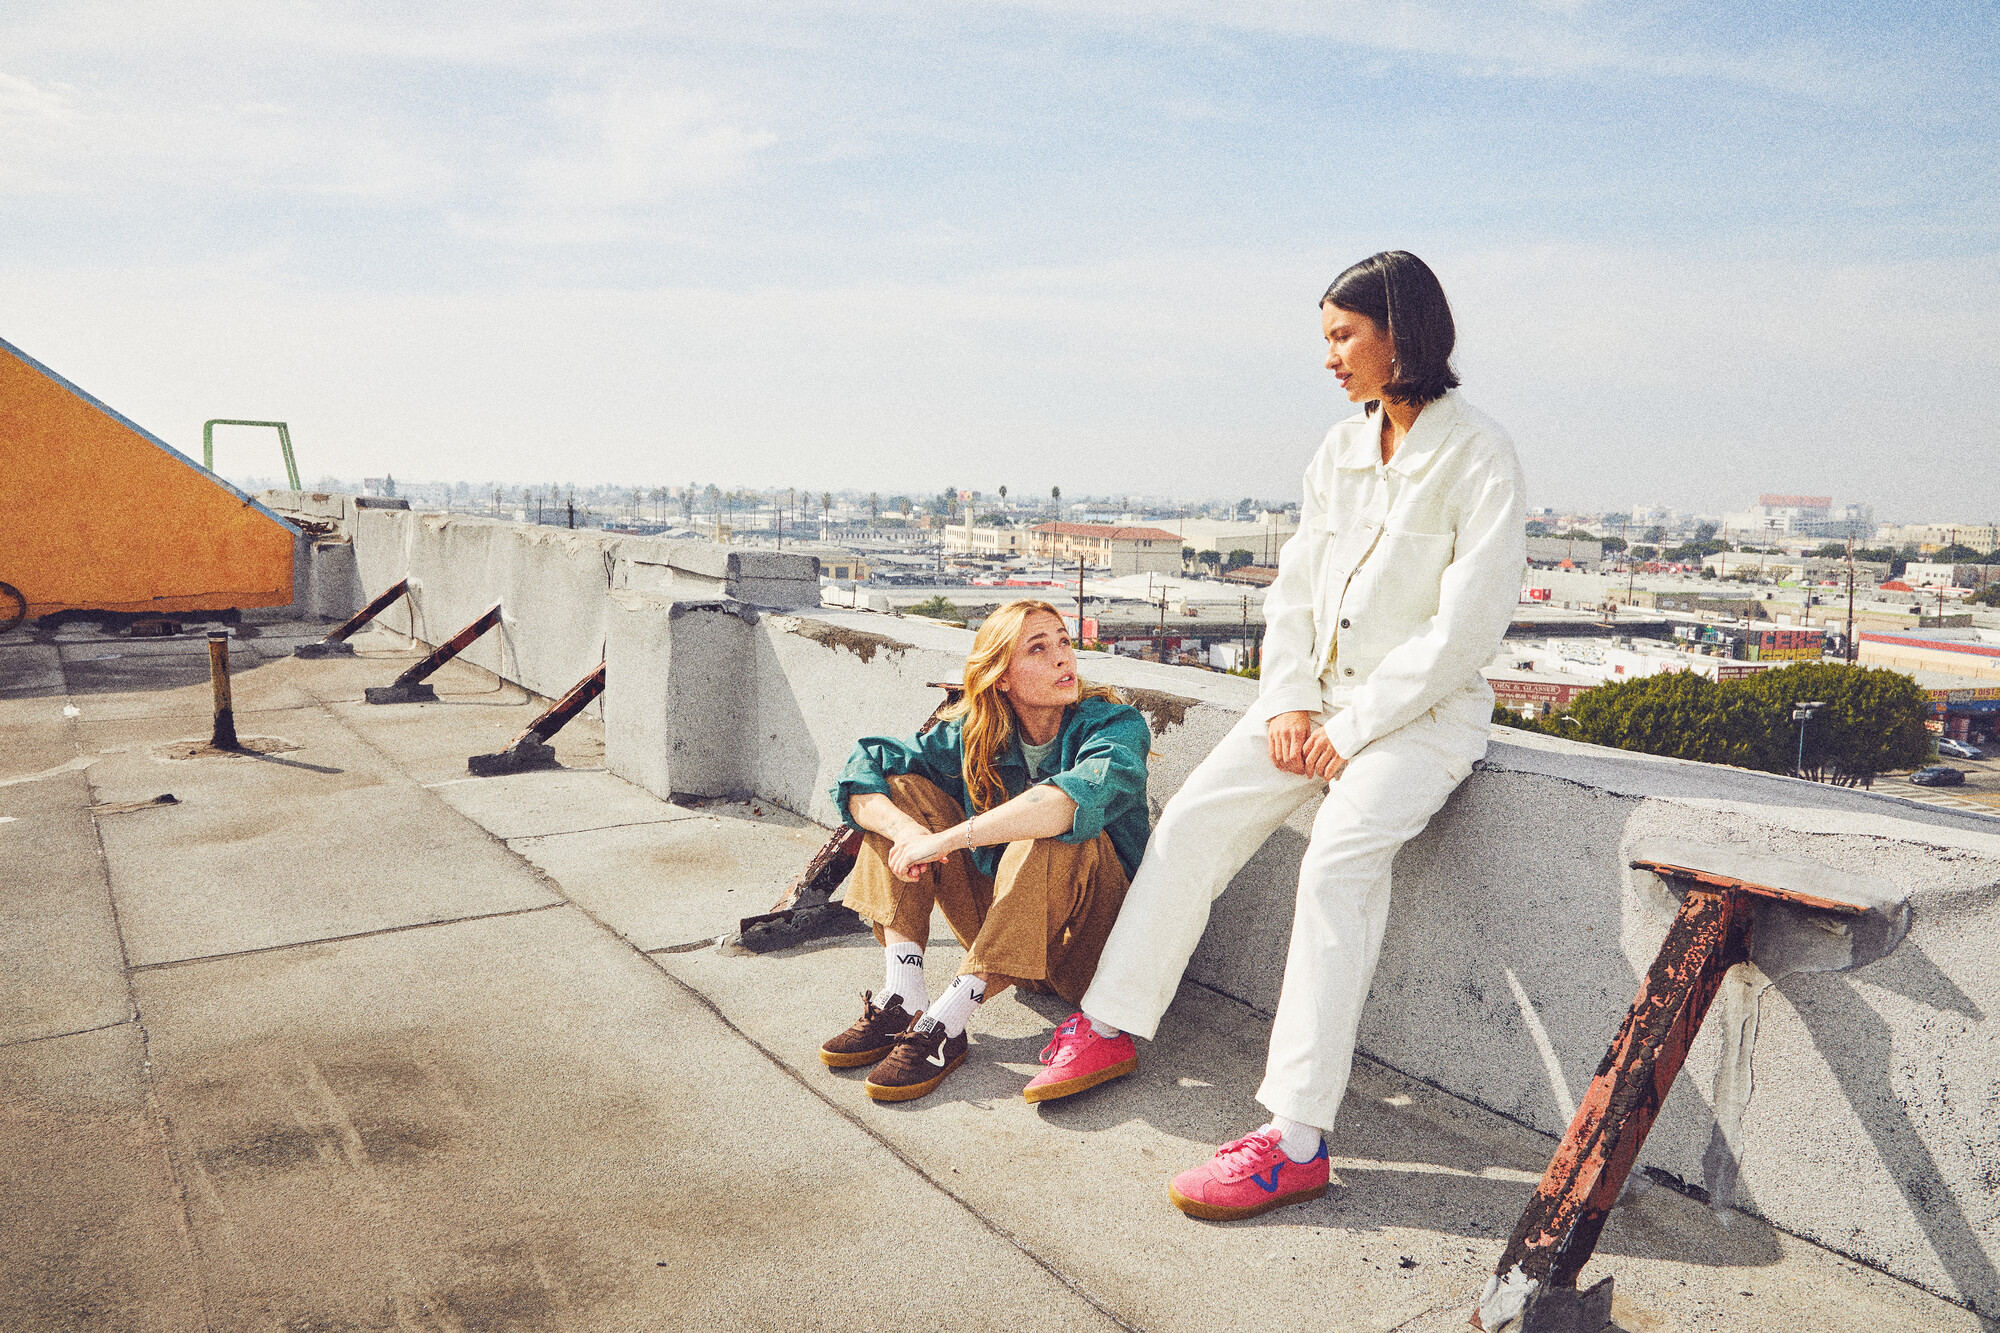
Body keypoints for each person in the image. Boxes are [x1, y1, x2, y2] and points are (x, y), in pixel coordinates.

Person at [1038, 251, 1527, 1221]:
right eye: (1325, 338)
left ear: (1402, 333)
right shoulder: (1333, 453)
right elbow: (1295, 595)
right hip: (1312, 708)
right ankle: (1111, 1020)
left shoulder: (1478, 455)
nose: (1329, 357)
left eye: (1343, 335)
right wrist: (1294, 704)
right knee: (1193, 824)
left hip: (1416, 721)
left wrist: (1352, 725)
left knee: (1338, 863)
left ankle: (1294, 1138)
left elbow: (1465, 627)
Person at [820, 600, 1153, 1103]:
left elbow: (1064, 804)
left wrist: (946, 839)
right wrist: (908, 833)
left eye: (1064, 641)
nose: (1063, 658)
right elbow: (864, 764)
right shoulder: (977, 732)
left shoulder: (1115, 726)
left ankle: (947, 1021)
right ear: (1002, 677)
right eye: (1038, 649)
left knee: (1055, 828)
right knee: (902, 790)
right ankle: (904, 992)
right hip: (1002, 932)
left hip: (1087, 949)